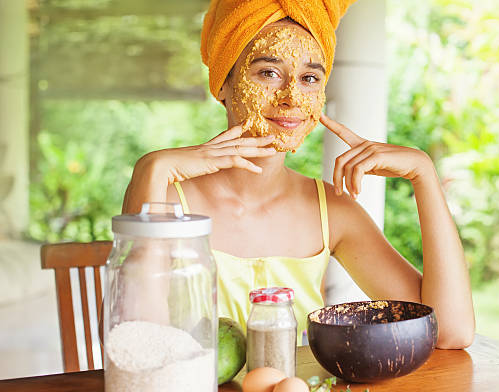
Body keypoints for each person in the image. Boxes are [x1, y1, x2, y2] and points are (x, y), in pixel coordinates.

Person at [123, 0, 474, 349]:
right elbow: (136, 340)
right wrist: (152, 169)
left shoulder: (331, 209)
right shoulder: (167, 200)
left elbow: (449, 331)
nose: (291, 98)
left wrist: (423, 173)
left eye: (309, 78)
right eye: (268, 73)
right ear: (224, 85)